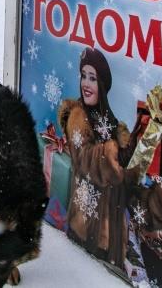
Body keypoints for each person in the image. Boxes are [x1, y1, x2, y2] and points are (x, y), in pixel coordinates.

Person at [57, 46, 132, 267]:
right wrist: (112, 152)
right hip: (85, 230)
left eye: (92, 78)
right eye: (83, 76)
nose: (86, 84)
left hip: (113, 240)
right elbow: (84, 160)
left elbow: (124, 176)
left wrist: (136, 148)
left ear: (102, 84)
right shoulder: (77, 117)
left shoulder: (114, 124)